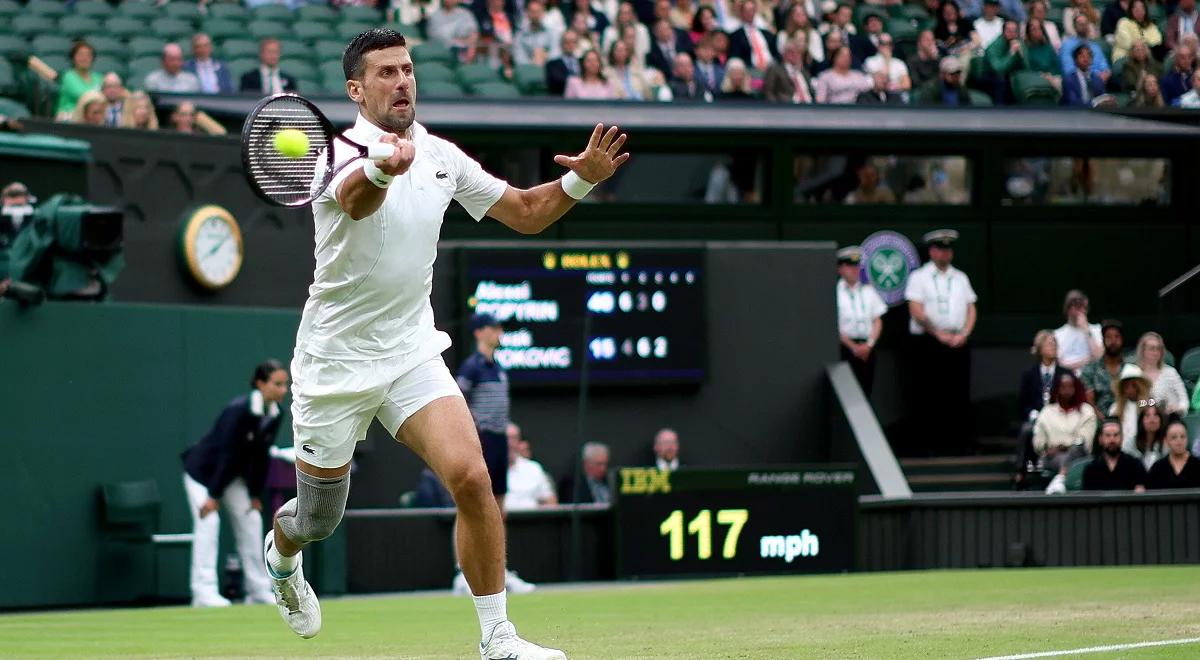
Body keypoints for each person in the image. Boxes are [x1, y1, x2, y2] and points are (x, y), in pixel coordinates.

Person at [260, 28, 626, 658]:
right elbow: (355, 201)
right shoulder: (333, 153)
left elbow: (524, 211)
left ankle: (498, 640)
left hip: (409, 353)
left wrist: (582, 182)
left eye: (407, 69)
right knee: (318, 521)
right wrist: (379, 166)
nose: (402, 80)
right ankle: (283, 558)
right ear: (356, 89)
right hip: (333, 365)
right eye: (385, 72)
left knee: (473, 478)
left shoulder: (441, 155)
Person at [181, 360, 288, 607]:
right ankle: (203, 591)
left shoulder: (275, 414)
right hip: (203, 473)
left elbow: (261, 457)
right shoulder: (238, 410)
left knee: (250, 520)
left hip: (231, 477)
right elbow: (227, 454)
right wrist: (213, 496)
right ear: (261, 384)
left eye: (285, 385)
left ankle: (258, 590)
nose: (284, 390)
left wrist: (254, 494)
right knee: (208, 521)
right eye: (278, 384)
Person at [904, 229, 977, 455]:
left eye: (947, 250)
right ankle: (928, 446)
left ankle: (956, 445)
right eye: (940, 249)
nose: (944, 254)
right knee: (929, 395)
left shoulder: (960, 277)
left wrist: (964, 333)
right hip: (929, 343)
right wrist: (937, 333)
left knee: (957, 394)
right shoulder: (919, 277)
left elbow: (971, 308)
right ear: (932, 251)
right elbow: (915, 309)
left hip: (957, 342)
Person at [834, 246, 887, 395]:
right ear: (840, 269)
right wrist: (852, 347)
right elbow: (833, 325)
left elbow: (877, 320)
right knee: (847, 393)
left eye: (857, 266)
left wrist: (869, 345)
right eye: (850, 266)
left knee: (866, 389)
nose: (854, 270)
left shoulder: (868, 291)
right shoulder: (834, 292)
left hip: (867, 348)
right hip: (845, 348)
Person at [1036, 372, 1097, 494]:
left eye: (1070, 387)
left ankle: (1060, 479)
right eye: (1063, 387)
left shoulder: (1086, 411)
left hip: (1079, 456)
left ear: (1076, 388)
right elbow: (1038, 442)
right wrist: (1046, 449)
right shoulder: (1046, 412)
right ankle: (1060, 480)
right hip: (1052, 457)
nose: (1067, 391)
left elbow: (1084, 442)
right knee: (1058, 458)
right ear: (1057, 389)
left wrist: (1063, 446)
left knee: (1074, 450)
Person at [1082, 417, 1147, 492]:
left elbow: (1140, 496)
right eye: (1108, 435)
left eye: (1116, 435)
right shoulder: (1091, 469)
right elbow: (1088, 499)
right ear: (1100, 439)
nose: (1112, 440)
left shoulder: (1135, 465)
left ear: (1122, 438)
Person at [504, 424, 557, 510]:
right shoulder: (487, 469)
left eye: (514, 438)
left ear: (519, 441)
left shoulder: (534, 468)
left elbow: (550, 501)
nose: (509, 443)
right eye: (506, 438)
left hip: (532, 521)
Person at [1135, 332, 1189, 416]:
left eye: (1158, 349)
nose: (1156, 352)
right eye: (1152, 348)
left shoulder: (1170, 372)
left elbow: (1184, 400)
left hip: (1170, 419)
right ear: (1143, 351)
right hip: (1144, 422)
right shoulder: (1135, 374)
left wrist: (1178, 409)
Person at [1081, 319, 1125, 414]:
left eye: (1117, 337)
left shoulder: (1131, 368)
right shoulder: (1090, 369)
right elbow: (1089, 402)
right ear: (1103, 340)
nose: (1113, 341)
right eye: (1108, 337)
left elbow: (1141, 399)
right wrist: (1105, 422)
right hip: (1098, 420)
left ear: (1122, 339)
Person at [1053, 290, 1102, 373]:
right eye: (1078, 307)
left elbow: (1099, 357)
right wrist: (1089, 360)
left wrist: (1086, 330)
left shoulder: (1097, 329)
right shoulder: (1057, 334)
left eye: (1085, 308)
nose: (1083, 311)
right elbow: (1058, 365)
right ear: (1068, 309)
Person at [53, 41, 102, 121]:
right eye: (80, 55)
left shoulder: (98, 77)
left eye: (88, 55)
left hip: (92, 120)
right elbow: (84, 97)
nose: (84, 58)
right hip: (69, 119)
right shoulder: (68, 76)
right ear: (73, 58)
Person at [1146, 418, 1200, 488]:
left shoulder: (1197, 465)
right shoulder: (1158, 468)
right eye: (1174, 437)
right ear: (1166, 440)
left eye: (1182, 437)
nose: (1179, 441)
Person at [1109, 363, 1151, 450]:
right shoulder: (1115, 408)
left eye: (1134, 386)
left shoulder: (1149, 404)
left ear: (1140, 386)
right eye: (1126, 387)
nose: (1130, 390)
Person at [728, 0, 779, 70]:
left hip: (771, 69)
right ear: (742, 13)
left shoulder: (766, 33)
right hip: (750, 70)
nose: (750, 13)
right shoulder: (736, 36)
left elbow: (776, 54)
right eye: (747, 10)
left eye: (752, 10)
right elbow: (736, 57)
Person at [764, 37, 815, 102]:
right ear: (784, 53)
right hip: (788, 108)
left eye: (798, 52)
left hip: (811, 107)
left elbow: (812, 92)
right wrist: (776, 108)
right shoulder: (775, 70)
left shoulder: (804, 72)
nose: (795, 54)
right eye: (791, 52)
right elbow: (768, 92)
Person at [515, 0, 562, 66]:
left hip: (549, 70)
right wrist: (533, 62)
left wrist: (545, 57)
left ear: (543, 13)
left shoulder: (552, 32)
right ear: (527, 13)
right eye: (532, 12)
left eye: (538, 12)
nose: (535, 15)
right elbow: (519, 58)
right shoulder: (520, 36)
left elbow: (556, 54)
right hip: (528, 71)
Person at [1127, 401, 1167, 470]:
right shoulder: (1131, 443)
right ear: (1141, 420)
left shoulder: (1167, 443)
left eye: (1156, 415)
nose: (1152, 419)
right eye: (1147, 415)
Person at [546, 29, 582, 96]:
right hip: (561, 101)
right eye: (567, 42)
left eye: (573, 42)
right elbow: (556, 83)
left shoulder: (582, 62)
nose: (570, 45)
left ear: (577, 44)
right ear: (561, 44)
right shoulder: (552, 64)